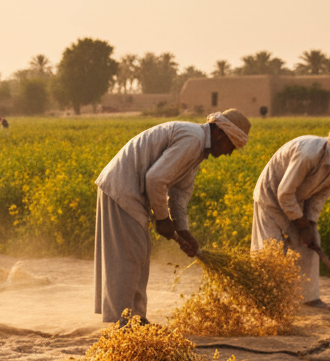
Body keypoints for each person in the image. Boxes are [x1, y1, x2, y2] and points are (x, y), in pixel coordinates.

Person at [94, 108, 252, 324]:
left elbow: (179, 195)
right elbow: (156, 179)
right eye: (230, 146)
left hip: (129, 191)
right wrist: (162, 220)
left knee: (138, 256)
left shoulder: (197, 150)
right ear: (219, 134)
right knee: (129, 258)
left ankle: (136, 318)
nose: (229, 153)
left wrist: (183, 230)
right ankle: (123, 321)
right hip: (123, 189)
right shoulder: (193, 139)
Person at [250, 122, 330, 306]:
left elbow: (319, 197)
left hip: (296, 199)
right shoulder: (309, 154)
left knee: (311, 244)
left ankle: (308, 298)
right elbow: (284, 193)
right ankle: (263, 299)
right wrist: (301, 224)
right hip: (271, 196)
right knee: (270, 249)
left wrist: (310, 224)